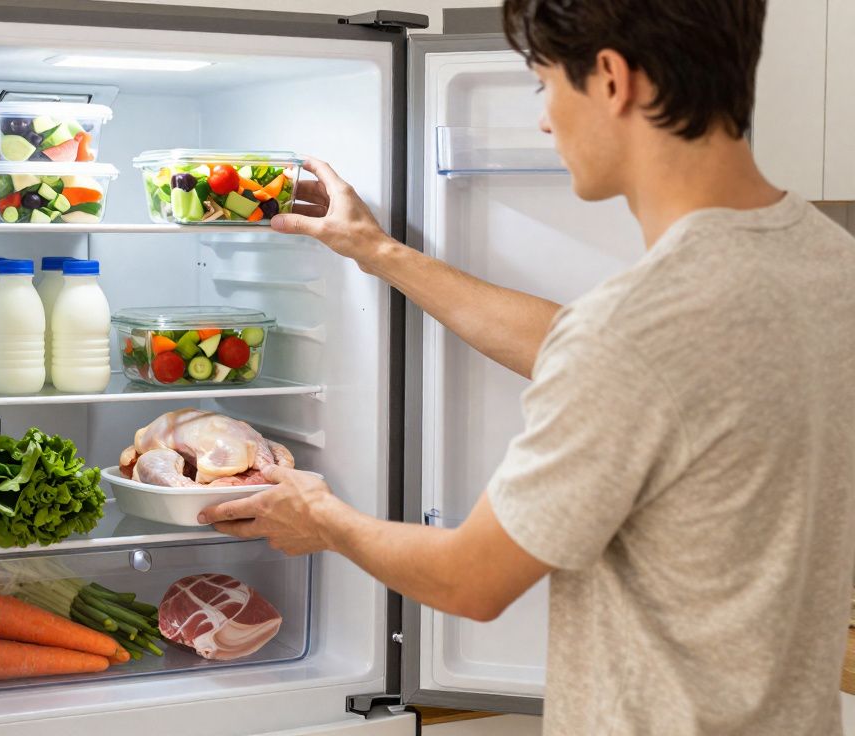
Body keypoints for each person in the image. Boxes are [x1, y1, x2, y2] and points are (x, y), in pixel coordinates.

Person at [197, 1, 855, 733]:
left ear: (612, 80)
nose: (544, 120)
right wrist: (377, 252)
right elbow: (613, 362)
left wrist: (321, 517)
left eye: (544, 84)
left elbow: (470, 580)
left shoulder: (633, 333)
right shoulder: (827, 262)